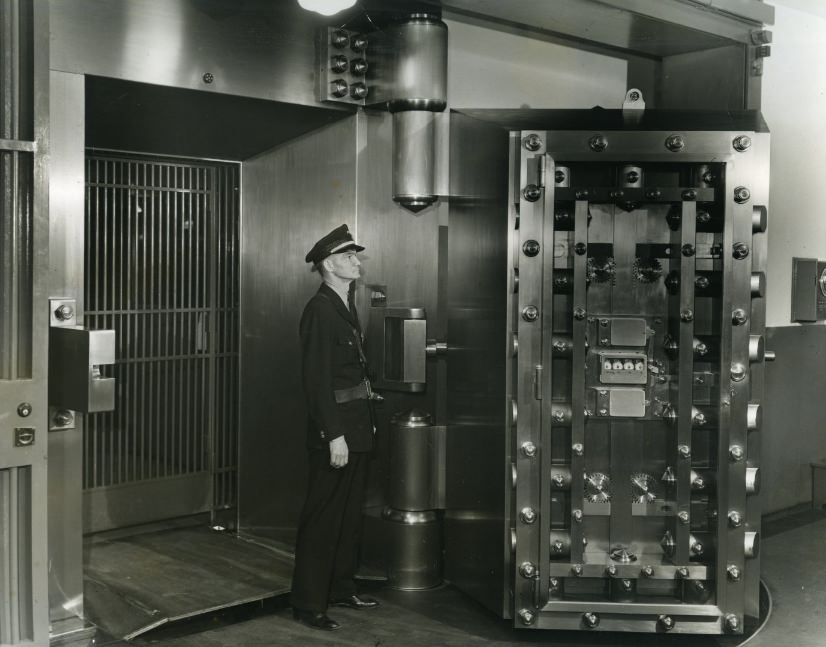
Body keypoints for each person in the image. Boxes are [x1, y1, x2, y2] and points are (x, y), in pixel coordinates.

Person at [290, 224, 379, 631]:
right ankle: (309, 604)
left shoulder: (344, 304)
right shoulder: (320, 310)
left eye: (355, 256)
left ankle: (341, 588)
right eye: (348, 257)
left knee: (348, 514)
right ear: (328, 264)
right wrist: (334, 436)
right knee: (324, 517)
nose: (356, 262)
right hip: (338, 432)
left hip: (357, 426)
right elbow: (315, 380)